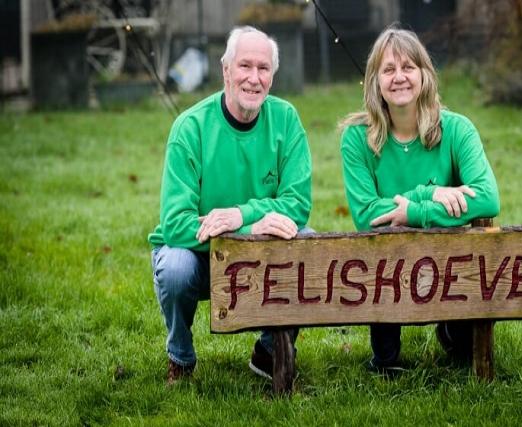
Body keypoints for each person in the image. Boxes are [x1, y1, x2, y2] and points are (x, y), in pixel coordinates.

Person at [148, 26, 312, 384]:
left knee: (306, 243)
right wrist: (249, 227)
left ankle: (268, 352)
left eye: (263, 68)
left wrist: (242, 217)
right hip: (199, 255)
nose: (254, 78)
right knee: (174, 269)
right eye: (245, 66)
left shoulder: (286, 119)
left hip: (259, 251)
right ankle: (180, 354)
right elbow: (176, 224)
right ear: (226, 70)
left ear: (273, 75)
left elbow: (297, 205)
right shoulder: (189, 127)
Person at [340, 27, 500, 375]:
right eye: (388, 69)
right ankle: (386, 356)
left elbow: (487, 198)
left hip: (448, 258)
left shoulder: (457, 129)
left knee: (461, 351)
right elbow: (367, 215)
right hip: (386, 263)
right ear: (375, 81)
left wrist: (415, 211)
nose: (399, 78)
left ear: (425, 76)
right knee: (383, 244)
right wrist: (429, 193)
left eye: (409, 67)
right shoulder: (357, 138)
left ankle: (452, 330)